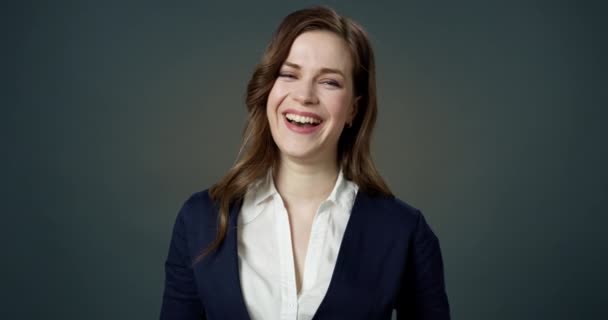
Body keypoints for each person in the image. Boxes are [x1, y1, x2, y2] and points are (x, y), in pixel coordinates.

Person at [160, 6, 450, 320]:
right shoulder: (200, 220)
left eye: (330, 82)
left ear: (353, 109)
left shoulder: (403, 231)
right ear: (268, 86)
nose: (304, 95)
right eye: (289, 74)